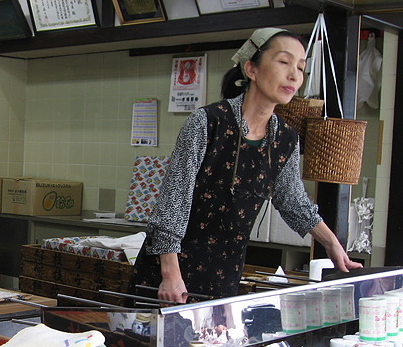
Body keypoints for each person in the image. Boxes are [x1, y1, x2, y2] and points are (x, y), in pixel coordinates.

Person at [130, 28, 362, 304]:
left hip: (225, 273)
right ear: (251, 68)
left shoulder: (285, 139)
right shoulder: (207, 123)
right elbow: (173, 202)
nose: (294, 75)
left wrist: (332, 244)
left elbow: (294, 202)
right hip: (168, 273)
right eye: (284, 62)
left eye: (301, 68)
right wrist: (169, 273)